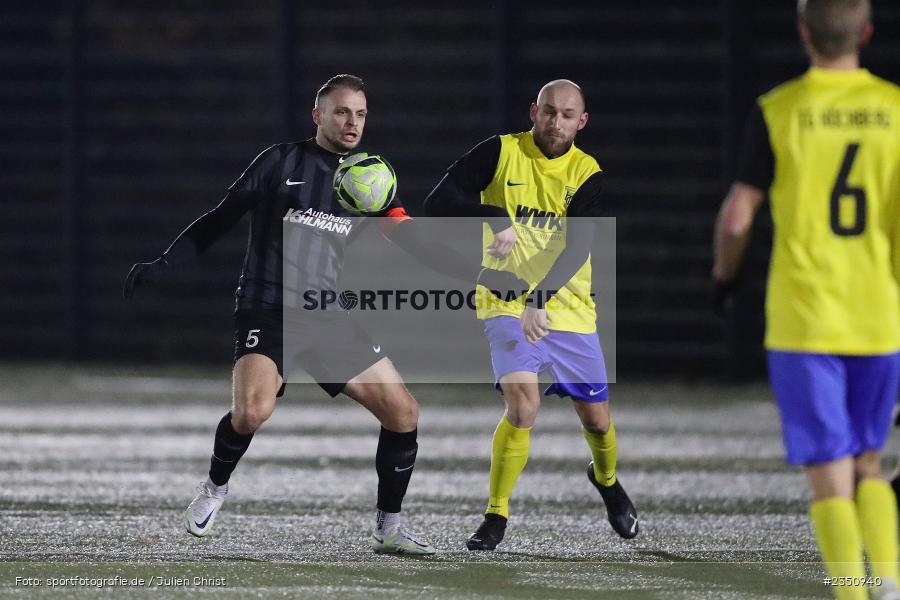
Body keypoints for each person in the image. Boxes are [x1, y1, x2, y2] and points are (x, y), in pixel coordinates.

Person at [122, 74, 472, 555]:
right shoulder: (278, 162)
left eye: (361, 114)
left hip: (325, 313)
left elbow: (405, 233)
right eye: (343, 112)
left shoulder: (367, 177)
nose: (353, 123)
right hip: (266, 307)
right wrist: (165, 263)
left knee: (403, 412)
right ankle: (214, 488)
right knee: (252, 411)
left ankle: (388, 527)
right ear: (318, 115)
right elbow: (220, 217)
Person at [712, 1, 900, 597]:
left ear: (803, 33)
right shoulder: (895, 109)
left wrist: (725, 277)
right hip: (880, 316)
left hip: (807, 322)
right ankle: (891, 588)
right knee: (870, 464)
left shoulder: (780, 110)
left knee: (830, 479)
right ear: (865, 33)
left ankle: (851, 596)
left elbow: (739, 218)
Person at [425, 79, 639, 551]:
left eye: (566, 115)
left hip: (567, 305)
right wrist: (493, 212)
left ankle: (606, 480)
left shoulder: (586, 171)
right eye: (548, 112)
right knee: (523, 405)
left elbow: (579, 245)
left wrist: (541, 299)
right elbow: (436, 203)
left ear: (581, 123)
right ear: (533, 111)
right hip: (504, 299)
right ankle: (496, 514)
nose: (555, 122)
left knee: (597, 422)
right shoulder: (500, 152)